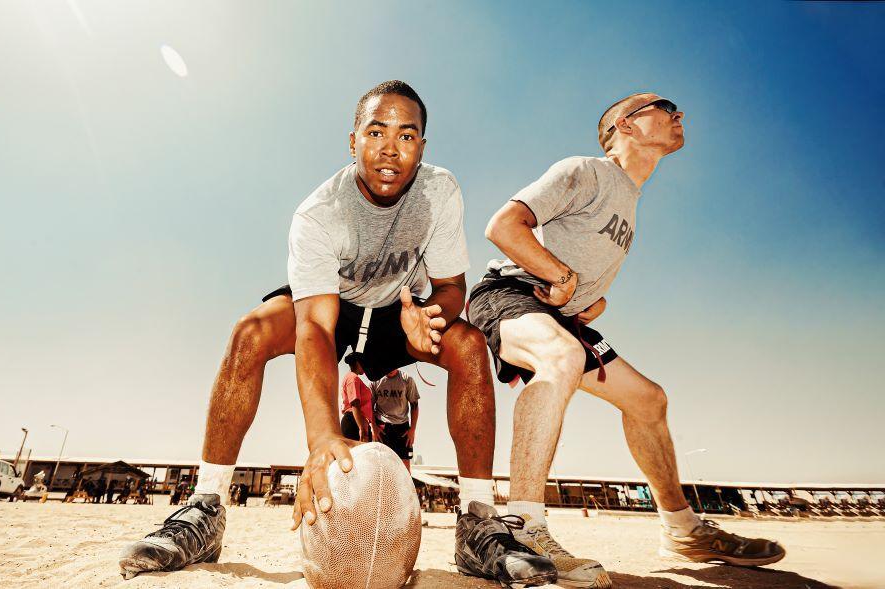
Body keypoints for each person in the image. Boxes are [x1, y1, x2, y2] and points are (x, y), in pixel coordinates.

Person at [119, 80, 557, 586]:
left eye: (407, 135)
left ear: (423, 146)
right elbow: (315, 329)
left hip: (401, 310)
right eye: (376, 132)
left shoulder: (439, 192)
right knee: (251, 332)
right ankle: (206, 507)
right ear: (353, 141)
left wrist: (431, 315)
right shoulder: (319, 213)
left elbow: (453, 287)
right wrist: (322, 437)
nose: (390, 149)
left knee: (469, 343)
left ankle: (479, 523)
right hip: (336, 307)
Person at [468, 92, 785, 585]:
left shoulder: (630, 201)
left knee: (649, 401)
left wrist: (589, 302)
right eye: (663, 106)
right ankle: (524, 524)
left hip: (564, 316)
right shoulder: (586, 172)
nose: (678, 114)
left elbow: (579, 282)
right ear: (625, 125)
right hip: (506, 293)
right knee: (560, 355)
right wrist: (559, 275)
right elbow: (504, 227)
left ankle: (683, 529)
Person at [370, 368, 419, 471]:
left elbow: (414, 405)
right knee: (381, 465)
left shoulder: (407, 379)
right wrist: (373, 427)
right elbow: (369, 407)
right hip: (382, 427)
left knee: (405, 466)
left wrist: (412, 430)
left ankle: (405, 487)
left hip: (402, 427)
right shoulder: (375, 380)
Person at [340, 353, 373, 442]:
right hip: (354, 422)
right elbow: (354, 403)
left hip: (356, 421)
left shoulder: (352, 377)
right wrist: (361, 428)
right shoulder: (352, 378)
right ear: (358, 363)